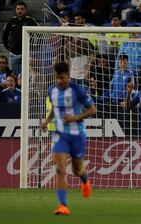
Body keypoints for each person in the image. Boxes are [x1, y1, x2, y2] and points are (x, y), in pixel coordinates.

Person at [39, 62, 96, 215]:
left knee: (76, 170)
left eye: (62, 78)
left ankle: (85, 181)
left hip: (77, 134)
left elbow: (92, 109)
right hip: (60, 134)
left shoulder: (77, 90)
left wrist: (76, 117)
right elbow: (54, 110)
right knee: (60, 168)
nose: (60, 81)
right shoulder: (51, 91)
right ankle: (62, 205)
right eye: (57, 78)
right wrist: (46, 121)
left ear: (68, 77)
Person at [2, 1, 38, 75]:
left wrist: (35, 47)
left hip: (28, 53)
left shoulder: (31, 21)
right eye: (18, 9)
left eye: (22, 9)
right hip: (14, 54)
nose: (20, 11)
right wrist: (7, 46)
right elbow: (4, 35)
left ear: (25, 10)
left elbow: (39, 33)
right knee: (14, 75)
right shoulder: (11, 21)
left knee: (28, 75)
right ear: (16, 10)